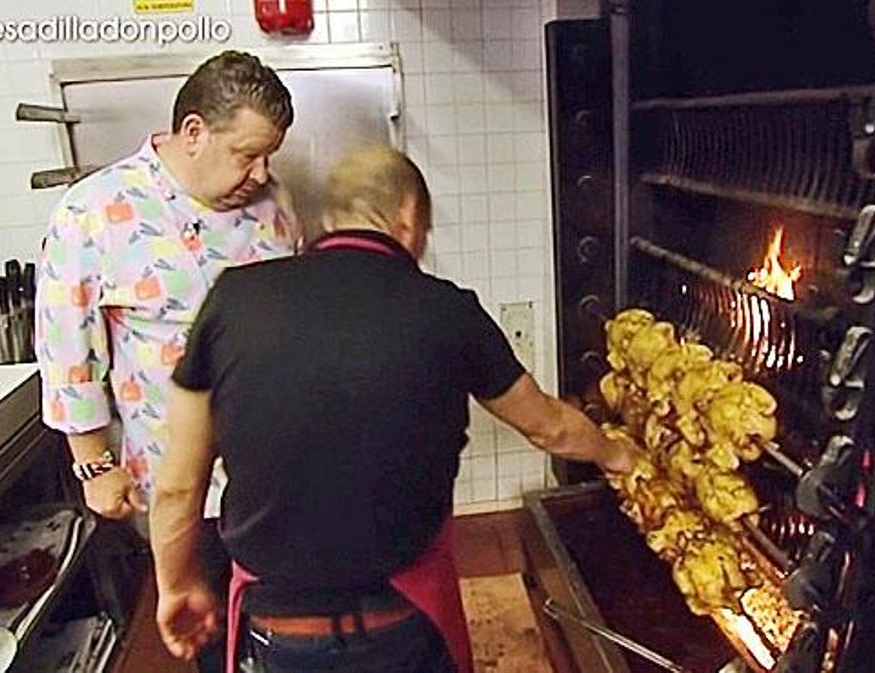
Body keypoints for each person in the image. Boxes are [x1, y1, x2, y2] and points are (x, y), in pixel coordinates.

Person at [150, 146, 636, 673]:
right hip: (401, 627)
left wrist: (177, 585)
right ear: (407, 220)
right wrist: (618, 456)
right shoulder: (448, 310)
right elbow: (551, 428)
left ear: (328, 219)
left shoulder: (232, 298)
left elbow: (178, 485)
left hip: (277, 633)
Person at [34, 50, 299, 673]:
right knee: (210, 633)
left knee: (289, 627)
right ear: (193, 131)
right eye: (247, 155)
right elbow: (68, 351)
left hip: (281, 468)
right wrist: (94, 465)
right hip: (183, 485)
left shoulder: (272, 202)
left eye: (270, 157)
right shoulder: (93, 210)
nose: (261, 173)